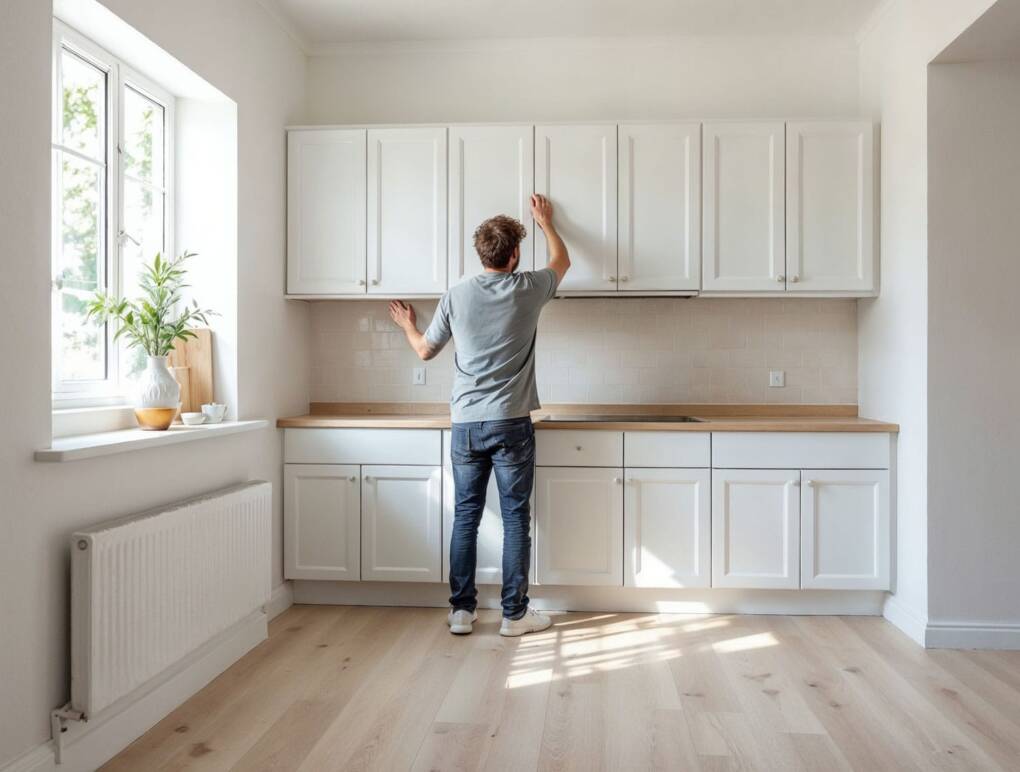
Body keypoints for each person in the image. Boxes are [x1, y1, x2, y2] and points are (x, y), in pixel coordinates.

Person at [388, 194, 570, 637]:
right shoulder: (527, 288)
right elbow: (562, 261)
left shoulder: (456, 294)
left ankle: (462, 612)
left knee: (466, 515)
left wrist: (408, 324)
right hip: (511, 422)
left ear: (481, 253)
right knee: (514, 519)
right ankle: (514, 616)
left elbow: (425, 350)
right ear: (514, 255)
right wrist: (545, 221)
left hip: (466, 424)